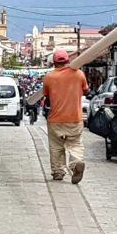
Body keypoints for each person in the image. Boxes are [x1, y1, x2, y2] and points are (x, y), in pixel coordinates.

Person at [42, 48, 89, 183]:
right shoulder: (79, 74)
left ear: (54, 62)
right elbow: (86, 91)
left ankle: (58, 172)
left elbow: (46, 95)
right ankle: (76, 163)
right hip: (74, 117)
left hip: (55, 119)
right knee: (75, 144)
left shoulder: (49, 77)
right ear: (68, 60)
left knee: (56, 146)